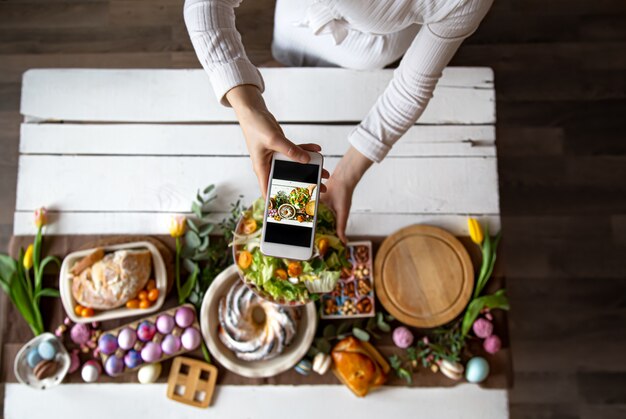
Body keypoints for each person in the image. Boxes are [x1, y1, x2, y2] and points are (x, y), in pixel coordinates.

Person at [184, 0, 493, 242]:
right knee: (286, 56)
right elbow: (206, 6)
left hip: (369, 51)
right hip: (298, 14)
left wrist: (345, 176)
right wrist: (247, 107)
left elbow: (412, 86)